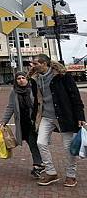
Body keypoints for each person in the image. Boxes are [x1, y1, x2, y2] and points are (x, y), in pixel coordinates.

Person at [30, 54, 85, 187]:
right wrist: (34, 116)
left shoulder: (62, 76)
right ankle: (51, 172)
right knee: (41, 142)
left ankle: (71, 176)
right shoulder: (35, 79)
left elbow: (75, 96)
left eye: (35, 63)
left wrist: (80, 116)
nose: (33, 66)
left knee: (68, 148)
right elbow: (37, 100)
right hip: (46, 116)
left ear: (44, 64)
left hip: (64, 116)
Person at [0, 71, 45, 179]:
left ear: (27, 79)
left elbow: (41, 104)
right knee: (32, 143)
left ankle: (38, 165)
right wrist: (3, 122)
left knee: (35, 142)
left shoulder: (34, 89)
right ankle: (41, 163)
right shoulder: (14, 92)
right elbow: (10, 107)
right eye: (18, 78)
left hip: (34, 122)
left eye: (23, 78)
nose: (21, 80)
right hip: (22, 123)